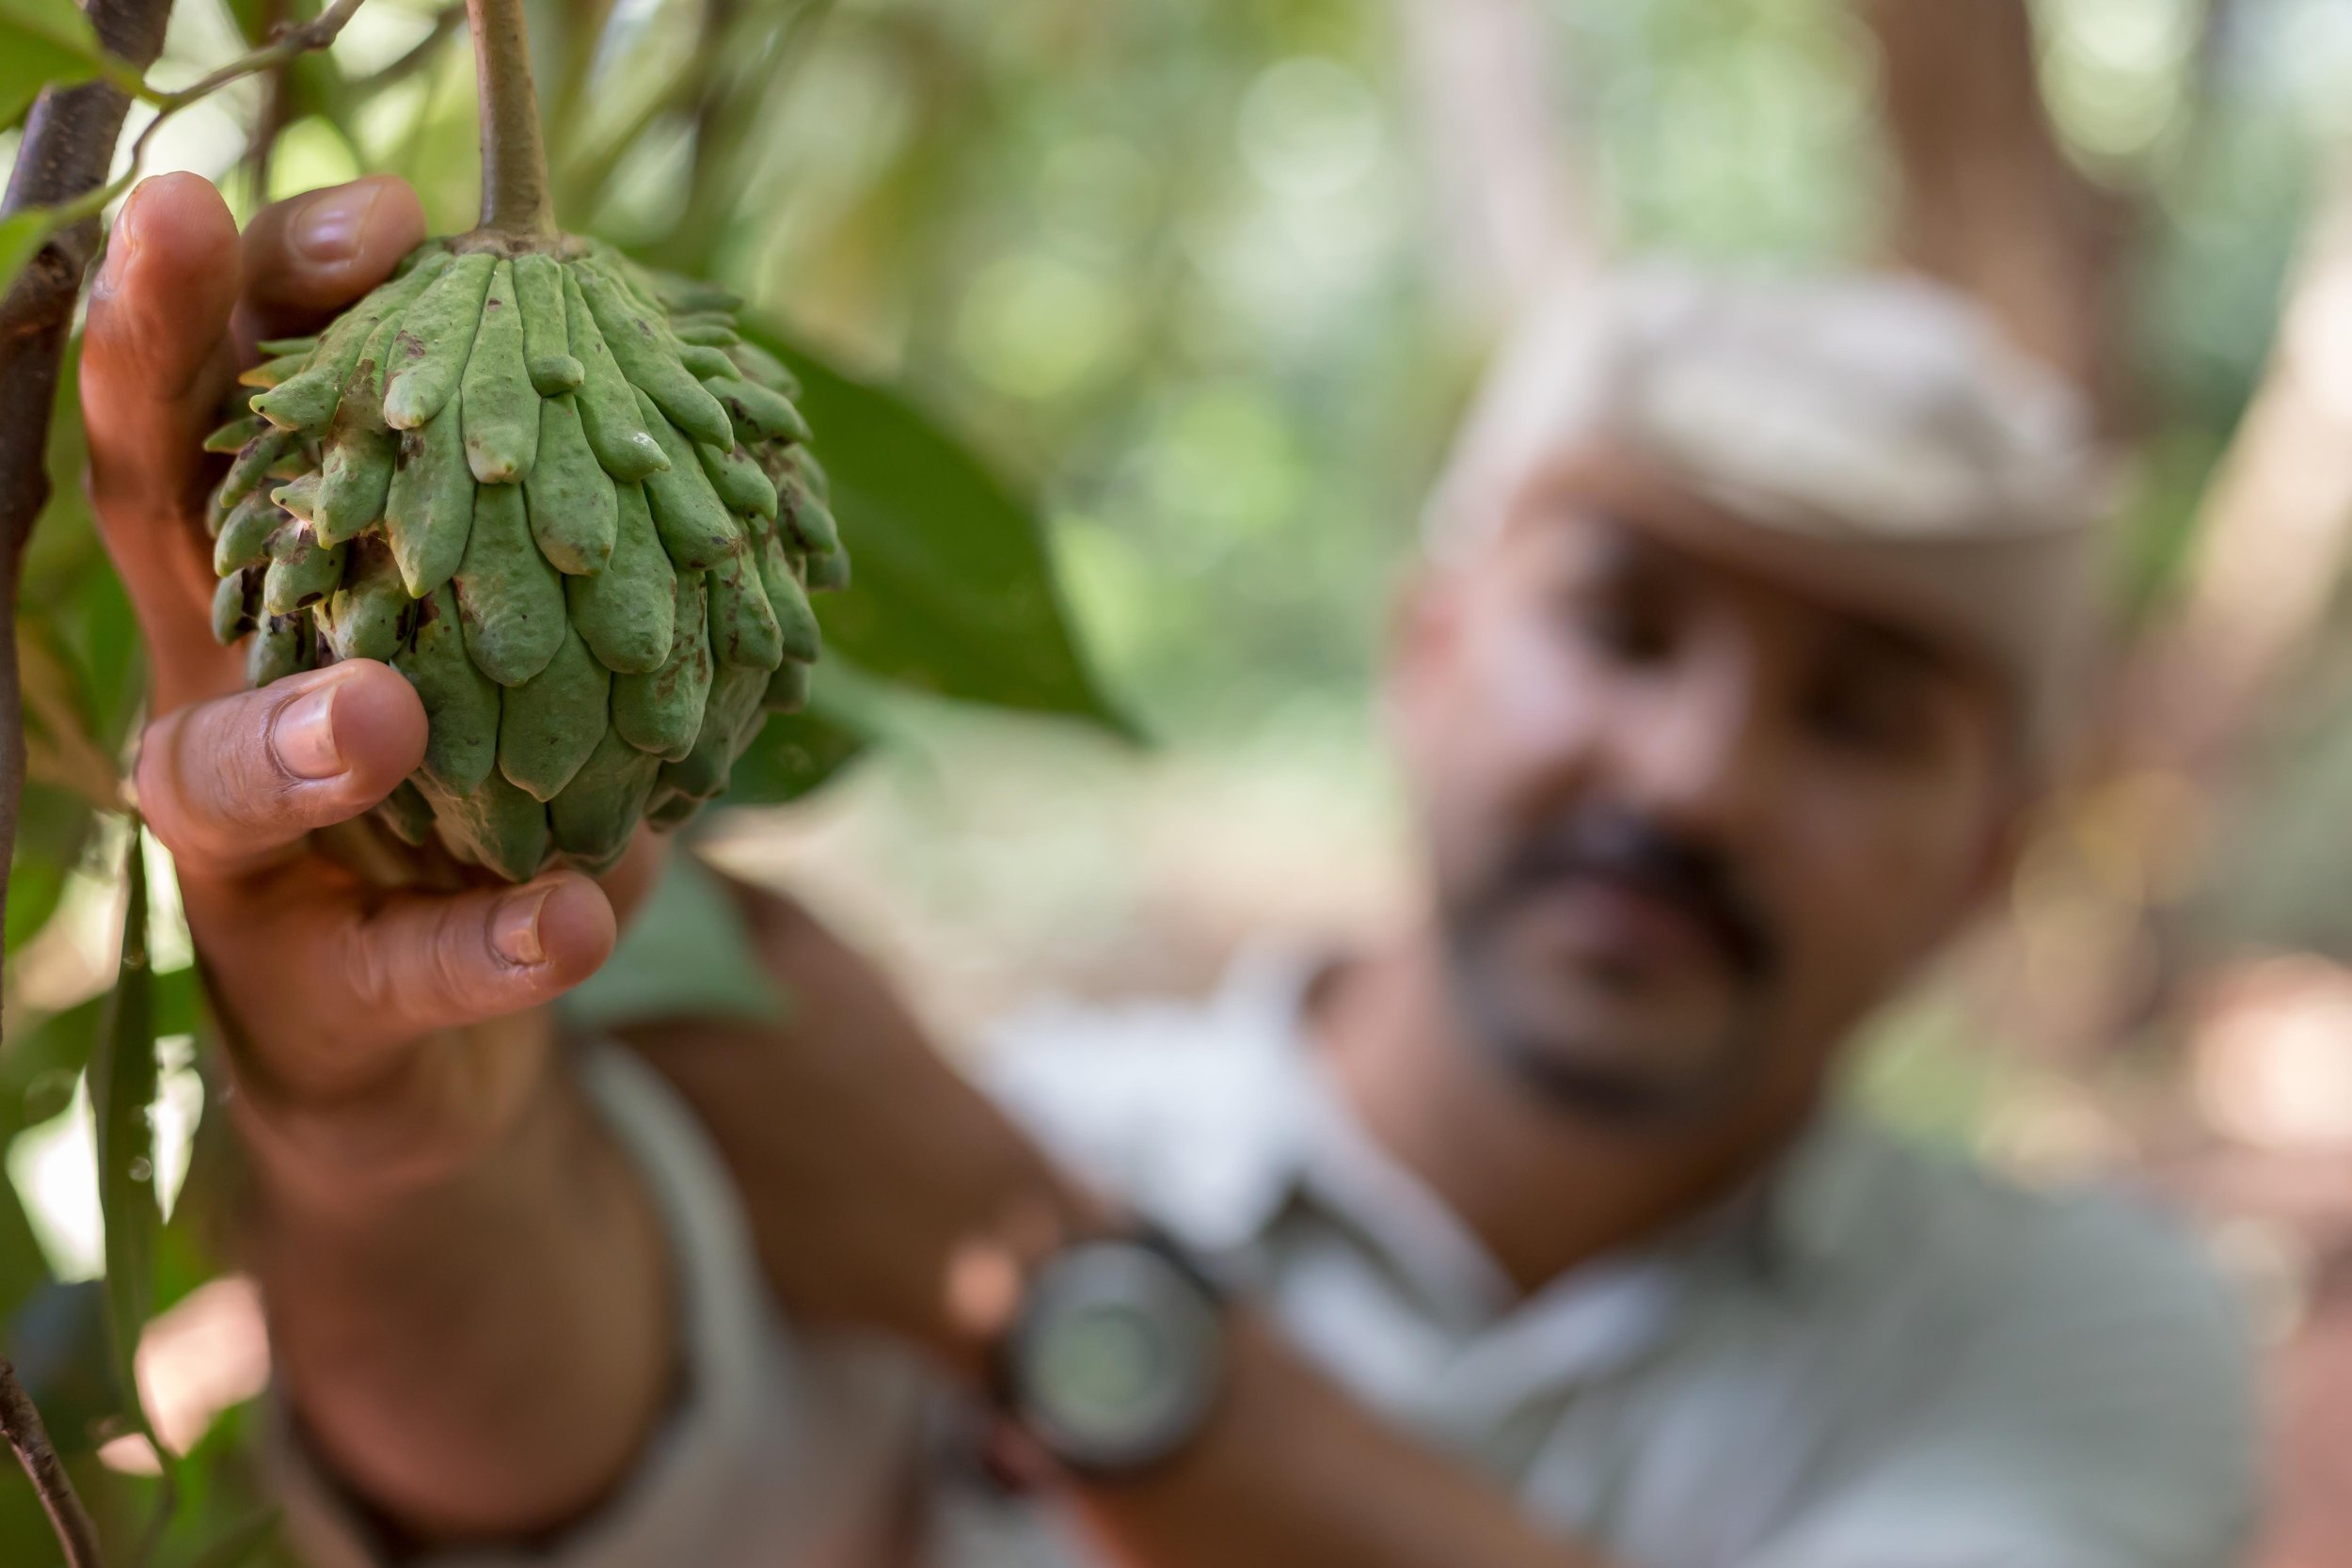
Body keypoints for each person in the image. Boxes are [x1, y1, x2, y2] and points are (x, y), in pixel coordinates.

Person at [82, 171, 2256, 1568]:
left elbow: (951, 1237)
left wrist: (1041, 1293)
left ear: (1990, 860)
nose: (1688, 773)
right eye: (1620, 626)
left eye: (1856, 716)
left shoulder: (2086, 1329)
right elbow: (529, 1448)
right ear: (1425, 649)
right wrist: (374, 1116)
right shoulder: (1007, 1119)